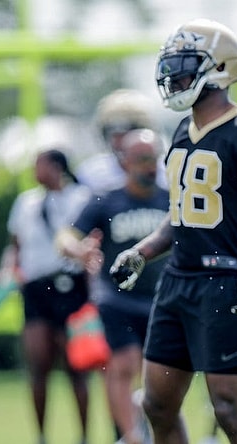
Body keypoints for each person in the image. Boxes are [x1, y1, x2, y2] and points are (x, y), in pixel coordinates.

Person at [108, 18, 237, 444]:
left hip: (224, 283)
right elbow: (182, 213)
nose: (174, 77)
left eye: (184, 67)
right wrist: (143, 251)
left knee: (228, 409)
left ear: (219, 67)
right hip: (177, 281)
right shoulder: (184, 129)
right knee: (156, 404)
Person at [56, 129, 169, 444]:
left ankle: (152, 428)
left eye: (154, 158)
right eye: (142, 159)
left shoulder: (170, 199)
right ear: (125, 162)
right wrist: (79, 251)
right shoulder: (107, 200)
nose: (150, 166)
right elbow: (67, 237)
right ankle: (130, 436)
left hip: (161, 300)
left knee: (159, 373)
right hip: (116, 299)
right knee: (124, 364)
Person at [5, 148, 93, 444]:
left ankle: (84, 435)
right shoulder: (26, 202)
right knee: (38, 363)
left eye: (39, 165)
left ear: (57, 167)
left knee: (76, 366)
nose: (35, 171)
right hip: (35, 288)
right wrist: (10, 273)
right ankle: (41, 435)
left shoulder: (80, 198)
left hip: (71, 286)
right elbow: (16, 244)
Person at [76, 88, 166, 194]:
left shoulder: (165, 171)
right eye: (113, 134)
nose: (118, 141)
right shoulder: (91, 173)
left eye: (125, 133)